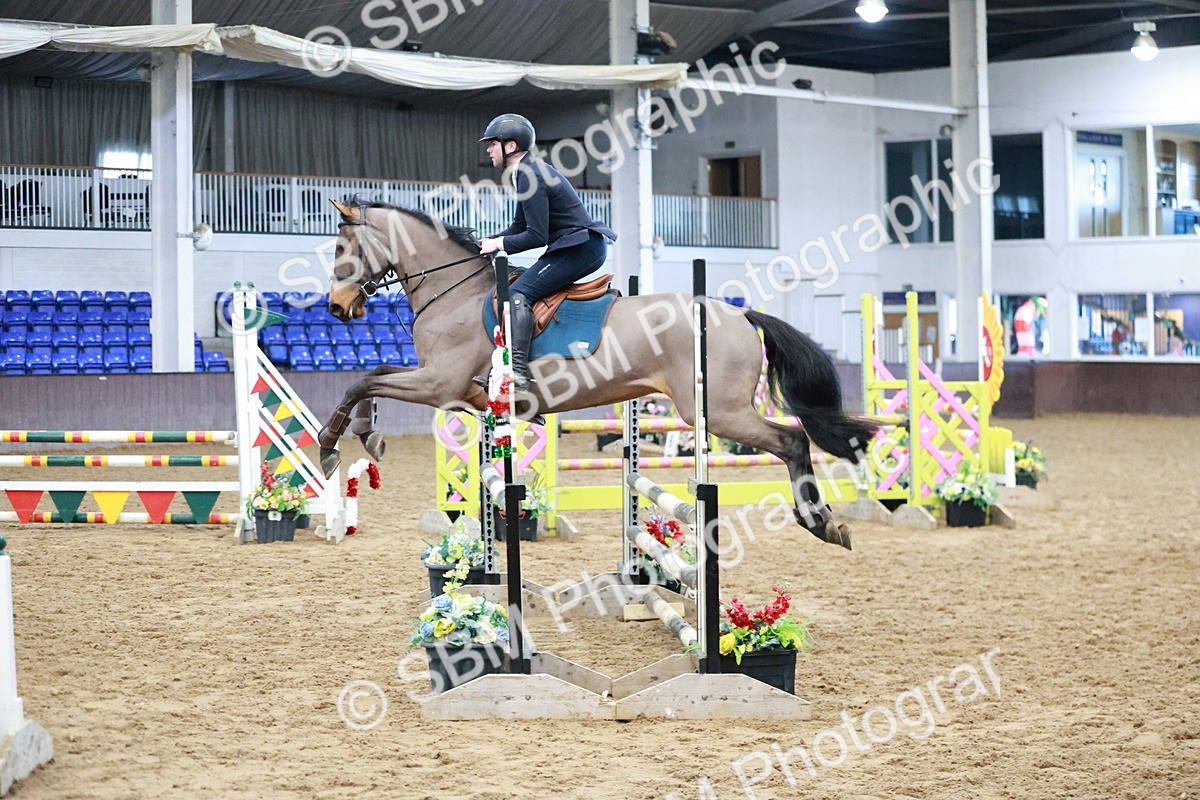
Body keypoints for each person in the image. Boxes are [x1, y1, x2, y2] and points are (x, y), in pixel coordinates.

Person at [474, 113, 616, 388]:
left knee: (518, 293)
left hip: (579, 247)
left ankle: (516, 371)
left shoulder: (530, 175)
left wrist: (499, 244)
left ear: (511, 146)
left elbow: (536, 236)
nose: (488, 149)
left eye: (492, 144)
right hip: (576, 245)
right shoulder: (525, 172)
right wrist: (485, 241)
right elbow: (519, 226)